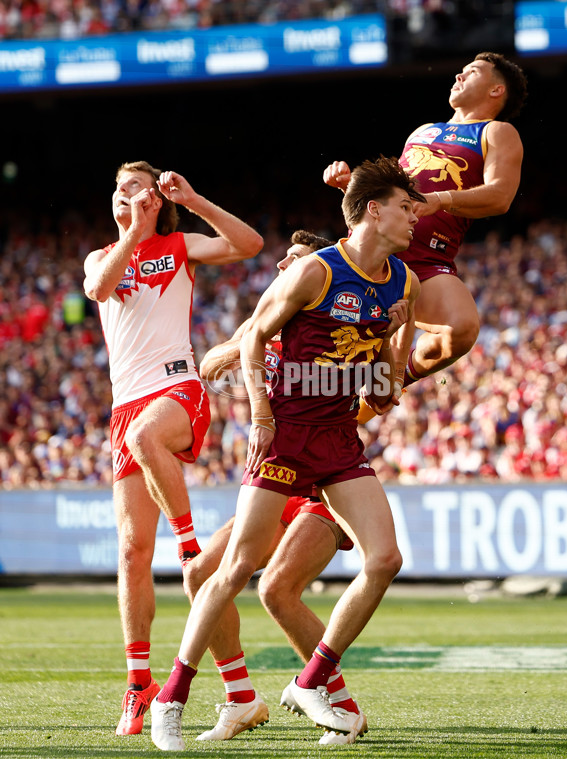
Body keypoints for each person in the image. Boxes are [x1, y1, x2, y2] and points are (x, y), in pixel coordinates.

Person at [149, 155, 422, 750]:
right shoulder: (317, 272)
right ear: (374, 210)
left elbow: (385, 390)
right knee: (232, 570)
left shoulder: (405, 282)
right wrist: (262, 415)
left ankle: (312, 681)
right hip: (286, 436)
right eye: (407, 206)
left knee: (385, 560)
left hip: (338, 442)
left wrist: (396, 336)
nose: (415, 216)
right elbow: (248, 341)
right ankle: (171, 698)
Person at [82, 160, 263, 737]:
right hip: (125, 403)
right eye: (117, 188)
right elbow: (98, 287)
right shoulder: (103, 253)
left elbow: (249, 243)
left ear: (156, 199)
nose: (122, 194)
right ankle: (139, 685)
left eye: (133, 187)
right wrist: (132, 231)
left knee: (145, 438)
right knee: (132, 553)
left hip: (177, 389)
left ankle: (187, 547)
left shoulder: (177, 245)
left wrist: (195, 198)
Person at [185, 230, 364, 745]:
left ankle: (345, 707)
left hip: (325, 484)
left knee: (277, 590)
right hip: (275, 481)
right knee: (201, 574)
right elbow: (211, 366)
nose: (284, 262)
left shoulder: (333, 327)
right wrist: (257, 333)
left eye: (297, 258)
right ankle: (242, 699)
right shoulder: (269, 321)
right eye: (283, 259)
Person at [324, 52, 527, 389]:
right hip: (372, 248)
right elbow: (391, 194)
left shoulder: (496, 132)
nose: (459, 76)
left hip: (426, 260)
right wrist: (351, 186)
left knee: (460, 329)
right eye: (460, 71)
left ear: (496, 90)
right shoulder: (423, 131)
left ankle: (389, 383)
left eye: (472, 72)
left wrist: (440, 200)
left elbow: (500, 196)